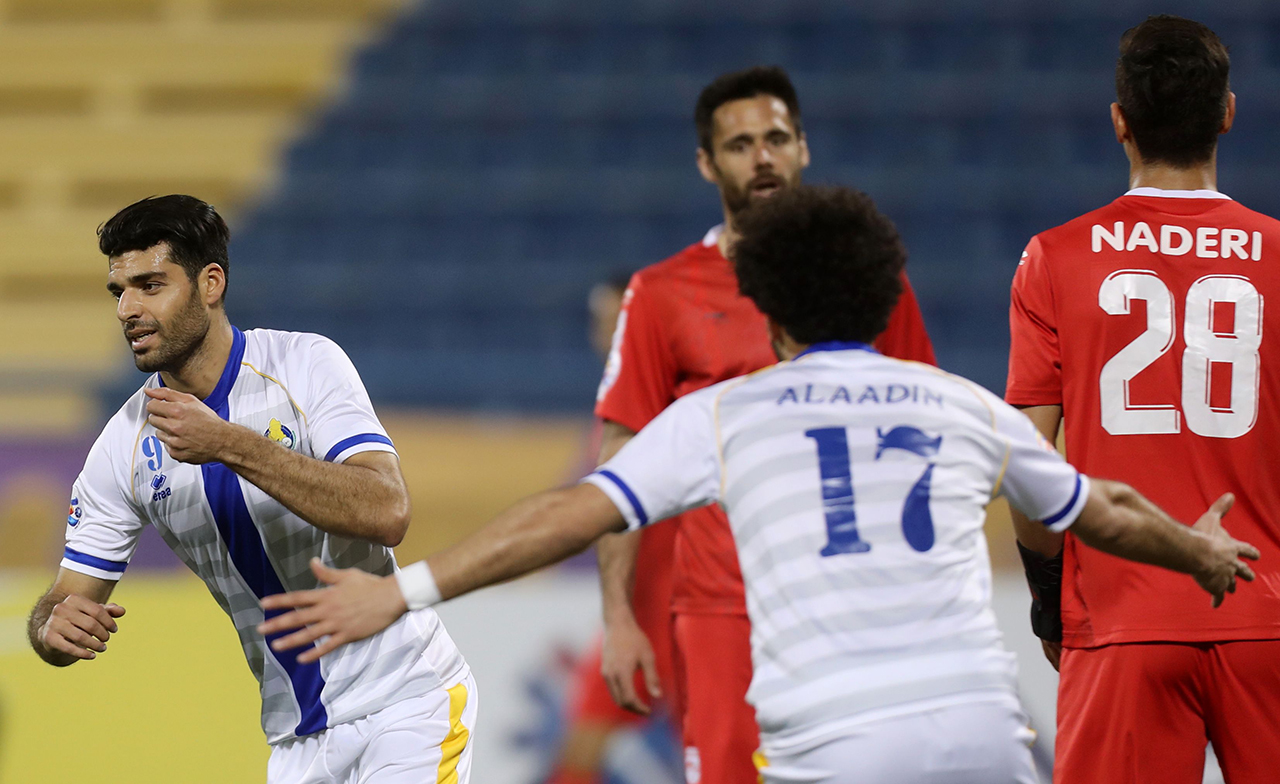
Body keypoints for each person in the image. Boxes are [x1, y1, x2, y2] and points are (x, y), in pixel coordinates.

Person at [259, 185, 1258, 784]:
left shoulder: (728, 416)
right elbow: (1099, 506)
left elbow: (568, 513)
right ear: (883, 298)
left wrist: (403, 591)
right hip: (980, 738)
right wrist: (1198, 549)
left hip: (833, 744)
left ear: (769, 312)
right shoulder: (957, 404)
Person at [24, 196, 475, 783]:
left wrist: (230, 444)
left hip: (405, 704)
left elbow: (387, 510)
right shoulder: (122, 445)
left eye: (151, 285)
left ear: (210, 283)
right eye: (119, 292)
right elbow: (63, 601)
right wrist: (50, 630)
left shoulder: (304, 364)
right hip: (294, 742)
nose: (128, 309)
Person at [593, 65, 935, 784]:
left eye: (776, 138)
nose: (762, 157)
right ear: (706, 163)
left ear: (803, 147)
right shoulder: (661, 294)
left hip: (857, 598)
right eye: (740, 144)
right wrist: (618, 616)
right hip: (725, 609)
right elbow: (620, 461)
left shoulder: (871, 279)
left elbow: (921, 429)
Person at [1006, 16, 1280, 782]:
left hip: (1121, 618)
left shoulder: (1055, 258)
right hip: (1267, 617)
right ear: (1227, 114)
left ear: (1120, 121)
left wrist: (1048, 599)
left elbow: (1027, 465)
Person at [547, 272, 681, 784]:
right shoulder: (616, 404)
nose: (606, 333)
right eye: (601, 321)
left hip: (686, 613)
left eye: (618, 320)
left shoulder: (669, 402)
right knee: (577, 754)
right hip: (637, 613)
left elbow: (610, 511)